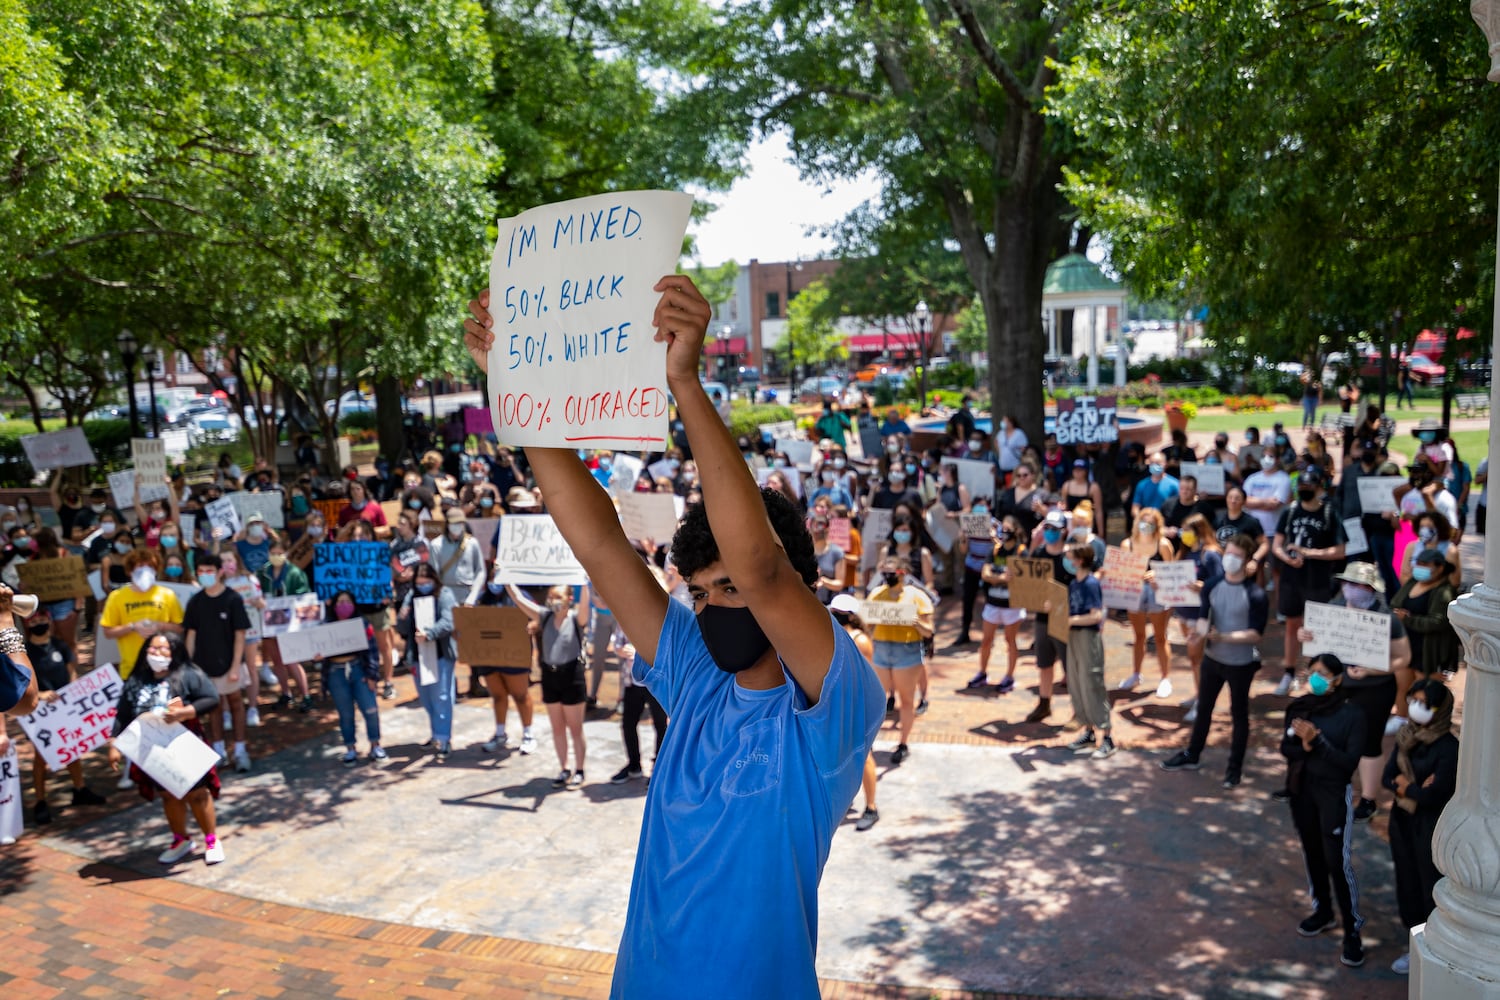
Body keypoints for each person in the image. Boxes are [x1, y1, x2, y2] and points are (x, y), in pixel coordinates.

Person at [465, 275, 885, 998]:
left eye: (733, 589)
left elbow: (761, 568)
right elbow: (598, 543)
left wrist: (684, 383)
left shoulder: (833, 703)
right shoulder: (693, 671)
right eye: (702, 591)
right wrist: (515, 388)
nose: (718, 604)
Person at [1297, 562, 1412, 823]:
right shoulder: (1334, 610)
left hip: (1374, 690)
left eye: (1356, 584)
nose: (1350, 589)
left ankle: (1368, 799)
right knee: (1332, 736)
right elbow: (1320, 649)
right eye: (1346, 583)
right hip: (1338, 687)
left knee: (1369, 742)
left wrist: (1373, 671)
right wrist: (1307, 637)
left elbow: (1403, 658)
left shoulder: (1387, 619)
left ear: (1370, 589)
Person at [1279, 653, 1367, 968]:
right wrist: (1302, 747)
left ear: (1338, 678)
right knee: (1312, 852)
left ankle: (1352, 929)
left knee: (1336, 861)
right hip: (1302, 792)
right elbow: (1285, 748)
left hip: (1332, 794)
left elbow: (1348, 764)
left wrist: (1317, 742)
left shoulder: (1352, 715)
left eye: (1322, 673)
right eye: (1311, 671)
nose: (1315, 677)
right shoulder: (1300, 708)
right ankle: (1324, 911)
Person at [108, 631, 225, 865]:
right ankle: (181, 839)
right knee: (169, 795)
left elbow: (211, 699)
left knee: (197, 793)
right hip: (151, 747)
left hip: (184, 742)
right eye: (152, 648)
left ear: (174, 652)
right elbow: (122, 713)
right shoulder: (136, 680)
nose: (157, 653)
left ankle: (211, 840)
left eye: (163, 649)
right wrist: (114, 744)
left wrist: (186, 712)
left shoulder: (188, 674)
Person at [1161, 534, 1267, 787]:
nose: (1230, 559)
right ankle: (1193, 753)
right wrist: (1197, 636)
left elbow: (1255, 634)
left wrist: (1224, 636)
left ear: (1246, 560)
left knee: (1239, 715)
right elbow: (1203, 619)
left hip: (1240, 664)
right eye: (1228, 553)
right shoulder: (1212, 585)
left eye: (1237, 556)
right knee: (1204, 709)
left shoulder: (1255, 593)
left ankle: (1234, 769)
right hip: (1213, 659)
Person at [1382, 678, 1459, 976]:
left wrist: (1408, 788)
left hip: (1429, 826)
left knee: (1429, 885)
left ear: (1439, 710)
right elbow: (1389, 778)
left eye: (1423, 703)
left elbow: (1434, 794)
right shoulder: (1406, 737)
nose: (1416, 708)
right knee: (1408, 882)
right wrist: (1411, 788)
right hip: (1402, 821)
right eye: (1413, 700)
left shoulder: (1448, 748)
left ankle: (1434, 948)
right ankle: (1413, 945)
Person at [22, 610, 107, 825]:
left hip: (63, 709)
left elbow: (72, 672)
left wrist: (72, 691)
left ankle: (80, 789)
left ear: (49, 622)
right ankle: (41, 801)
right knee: (42, 756)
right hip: (39, 713)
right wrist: (40, 696)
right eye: (34, 620)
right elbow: (20, 685)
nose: (39, 623)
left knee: (72, 747)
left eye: (43, 619)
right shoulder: (25, 653)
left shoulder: (60, 646)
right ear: (27, 624)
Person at [1270, 466, 1346, 697]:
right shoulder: (1290, 511)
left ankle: (1310, 672)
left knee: (1315, 629)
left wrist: (1310, 553)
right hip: (1292, 578)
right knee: (1292, 625)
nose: (1303, 490)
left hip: (1317, 579)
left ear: (1319, 488)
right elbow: (1277, 545)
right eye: (1300, 487)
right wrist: (1287, 558)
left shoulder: (1329, 512)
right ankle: (1289, 672)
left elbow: (1341, 550)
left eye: (1308, 487)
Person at [508, 582, 592, 788]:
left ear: (568, 599)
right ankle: (563, 768)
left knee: (575, 728)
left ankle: (579, 769)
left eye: (558, 597)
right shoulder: (544, 616)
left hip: (572, 675)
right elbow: (519, 600)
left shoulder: (575, 619)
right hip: (550, 675)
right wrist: (507, 579)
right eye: (551, 597)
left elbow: (584, 608)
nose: (553, 601)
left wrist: (585, 583)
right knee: (557, 727)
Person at [181, 553, 252, 773]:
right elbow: (191, 635)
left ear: (220, 571)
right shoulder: (196, 601)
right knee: (214, 707)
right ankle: (219, 751)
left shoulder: (233, 599)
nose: (205, 575)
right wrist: (187, 666)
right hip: (204, 666)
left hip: (230, 664)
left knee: (236, 703)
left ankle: (240, 751)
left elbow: (240, 635)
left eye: (209, 571)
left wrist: (234, 667)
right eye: (200, 572)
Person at [865, 554, 934, 765]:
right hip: (882, 649)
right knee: (877, 699)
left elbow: (928, 631)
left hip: (907, 651)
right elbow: (868, 624)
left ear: (902, 573)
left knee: (906, 700)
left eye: (891, 573)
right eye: (883, 573)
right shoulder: (877, 594)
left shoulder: (917, 596)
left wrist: (916, 623)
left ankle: (903, 743)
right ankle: (869, 742)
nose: (886, 577)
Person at [313, 591, 386, 764]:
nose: (343, 605)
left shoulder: (362, 624)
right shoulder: (325, 626)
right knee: (345, 714)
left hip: (358, 670)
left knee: (370, 709)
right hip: (335, 673)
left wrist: (371, 675)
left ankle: (375, 745)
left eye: (347, 602)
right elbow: (316, 649)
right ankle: (350, 748)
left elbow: (372, 651)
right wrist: (317, 656)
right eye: (340, 602)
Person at [396, 562, 458, 758]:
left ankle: (444, 737)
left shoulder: (444, 594)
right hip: (418, 656)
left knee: (442, 696)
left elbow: (449, 621)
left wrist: (430, 633)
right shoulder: (411, 595)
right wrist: (402, 618)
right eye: (420, 583)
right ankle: (435, 734)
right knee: (427, 698)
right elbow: (403, 629)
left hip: (440, 653)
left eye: (427, 582)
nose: (423, 586)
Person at [830, 593, 880, 831]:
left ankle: (871, 807)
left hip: (855, 707)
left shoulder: (858, 640)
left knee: (864, 757)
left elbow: (860, 678)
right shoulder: (839, 635)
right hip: (841, 706)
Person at [1059, 546, 1113, 759]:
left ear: (1080, 560)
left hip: (1088, 638)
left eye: (1070, 556)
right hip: (1073, 637)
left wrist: (1070, 620)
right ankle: (1089, 732)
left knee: (1093, 684)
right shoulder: (1074, 584)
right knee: (1077, 683)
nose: (1067, 559)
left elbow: (1096, 615)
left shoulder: (1091, 583)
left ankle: (1107, 737)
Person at [99, 547, 185, 681]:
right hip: (131, 669)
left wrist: (159, 626)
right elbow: (107, 632)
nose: (145, 570)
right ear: (130, 570)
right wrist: (133, 626)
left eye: (150, 566)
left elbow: (180, 627)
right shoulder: (117, 597)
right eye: (140, 566)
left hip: (163, 666)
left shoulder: (168, 595)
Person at [1120, 509, 1176, 699]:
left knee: (1160, 637)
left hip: (1156, 593)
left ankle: (1165, 678)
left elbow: (1172, 573)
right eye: (1143, 522)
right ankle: (1136, 674)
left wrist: (1157, 574)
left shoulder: (1163, 545)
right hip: (1135, 592)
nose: (1146, 526)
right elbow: (1121, 572)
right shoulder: (1127, 544)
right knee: (1138, 636)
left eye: (1151, 523)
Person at [969, 516, 1027, 691]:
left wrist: (998, 578)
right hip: (993, 603)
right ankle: (982, 673)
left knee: (1010, 640)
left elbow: (1023, 578)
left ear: (1016, 531)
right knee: (986, 640)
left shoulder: (1021, 552)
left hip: (1012, 605)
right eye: (1003, 528)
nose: (1004, 532)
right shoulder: (994, 551)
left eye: (1008, 529)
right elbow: (985, 574)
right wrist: (1000, 578)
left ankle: (1009, 676)